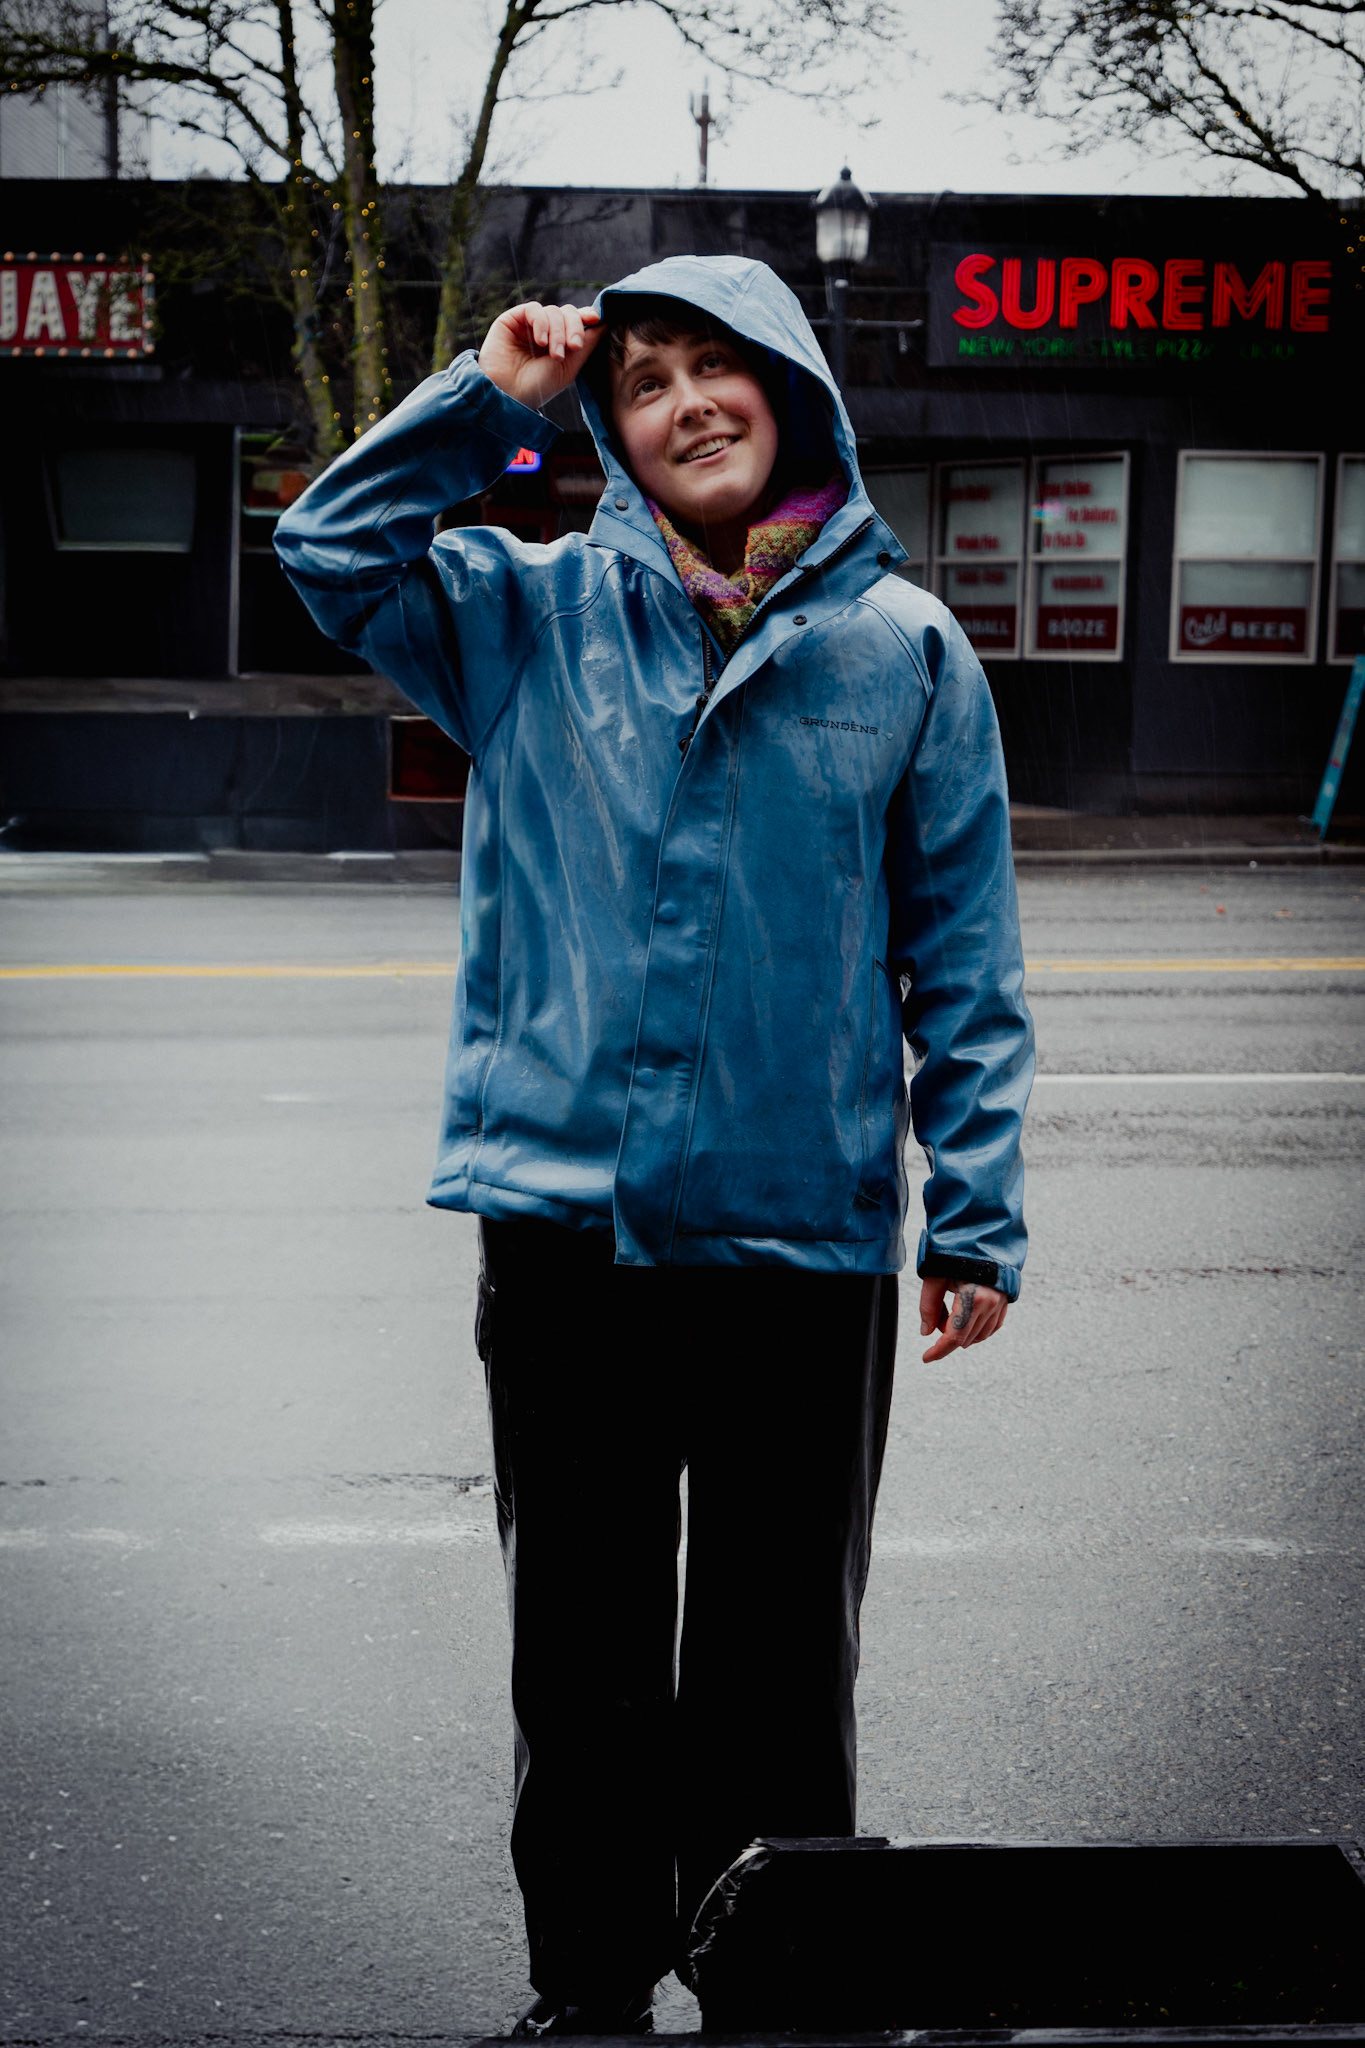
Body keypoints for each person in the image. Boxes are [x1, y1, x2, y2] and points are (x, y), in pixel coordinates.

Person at [274, 254, 1034, 2037]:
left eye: (718, 368)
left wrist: (975, 1213)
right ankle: (588, 1993)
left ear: (791, 393)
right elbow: (329, 552)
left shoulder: (905, 649)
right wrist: (490, 399)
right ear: (609, 434)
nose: (687, 404)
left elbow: (962, 957)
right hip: (567, 1236)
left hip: (802, 1233)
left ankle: (778, 1992)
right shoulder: (521, 617)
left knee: (781, 1661)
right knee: (583, 1657)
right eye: (644, 383)